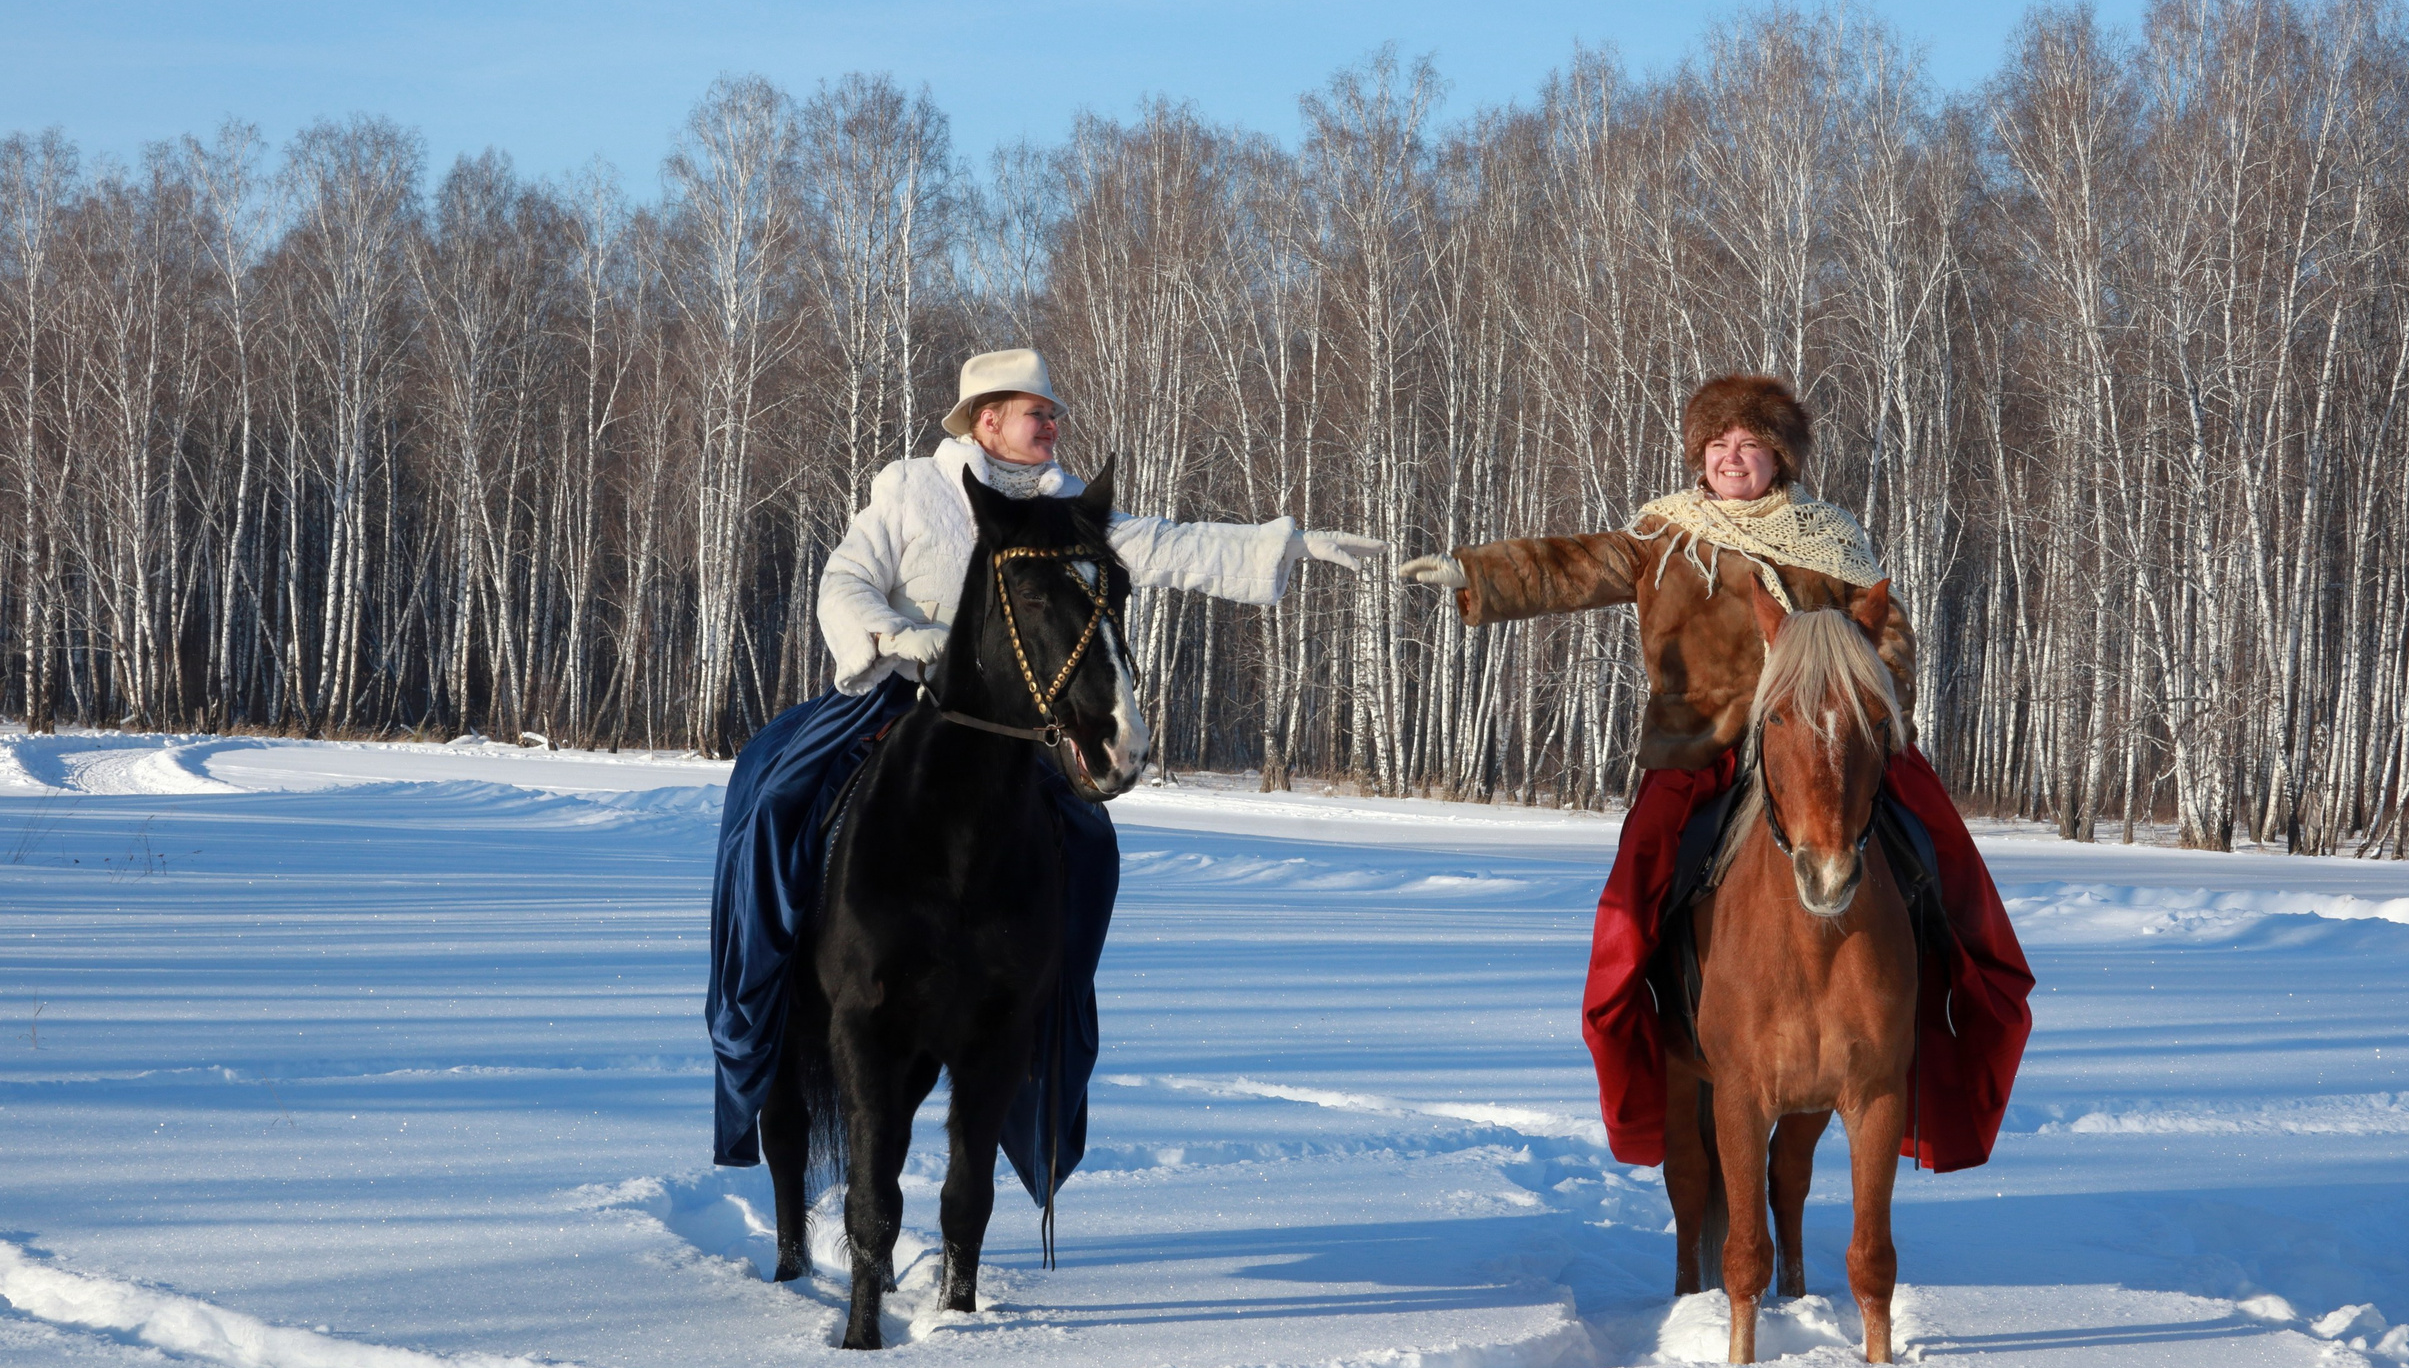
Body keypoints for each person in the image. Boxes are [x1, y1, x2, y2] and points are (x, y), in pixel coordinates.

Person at [707, 348, 1384, 1184]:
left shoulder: (1066, 510)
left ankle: (1042, 1022)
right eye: (1040, 413)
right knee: (776, 800)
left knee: (1090, 848)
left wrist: (1285, 544)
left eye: (1054, 415)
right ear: (988, 417)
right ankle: (762, 1002)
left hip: (1011, 736)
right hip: (895, 701)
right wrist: (894, 636)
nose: (1054, 426)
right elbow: (844, 579)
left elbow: (1169, 547)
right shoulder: (912, 488)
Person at [1400, 374, 2033, 1173]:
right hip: (1699, 755)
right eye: (1718, 444)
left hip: (1818, 749)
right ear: (1700, 455)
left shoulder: (1830, 540)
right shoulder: (1665, 535)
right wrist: (1474, 573)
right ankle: (1648, 1030)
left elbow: (1887, 634)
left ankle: (1945, 995)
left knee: (1941, 862)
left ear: (1780, 458)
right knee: (1627, 921)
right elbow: (1569, 566)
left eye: (1751, 445)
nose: (1733, 458)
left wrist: (1868, 701)